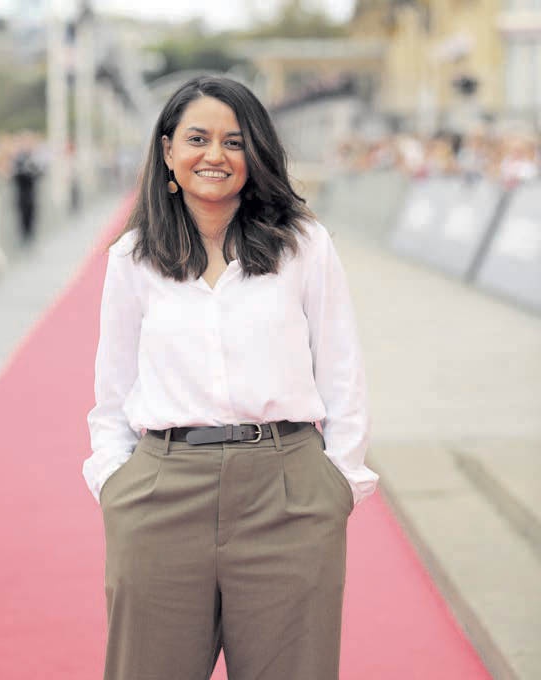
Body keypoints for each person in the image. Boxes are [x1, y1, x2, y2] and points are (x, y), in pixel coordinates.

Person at [82, 75, 378, 680]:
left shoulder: (304, 245)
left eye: (234, 141)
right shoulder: (132, 257)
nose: (214, 155)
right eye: (197, 138)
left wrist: (339, 482)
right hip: (162, 493)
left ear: (256, 153)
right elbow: (113, 388)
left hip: (287, 491)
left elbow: (342, 369)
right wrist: (115, 482)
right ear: (168, 150)